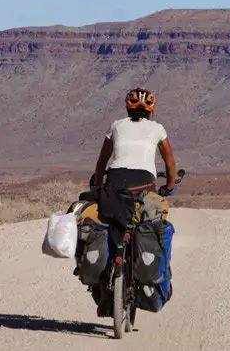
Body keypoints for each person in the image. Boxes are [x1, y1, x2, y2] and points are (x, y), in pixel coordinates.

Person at [90, 86, 177, 317]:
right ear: (151, 110)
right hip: (144, 186)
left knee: (110, 224)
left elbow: (102, 162)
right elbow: (170, 165)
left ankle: (107, 280)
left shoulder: (116, 126)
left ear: (127, 107)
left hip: (115, 183)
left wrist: (98, 183)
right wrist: (169, 186)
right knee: (146, 224)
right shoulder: (157, 128)